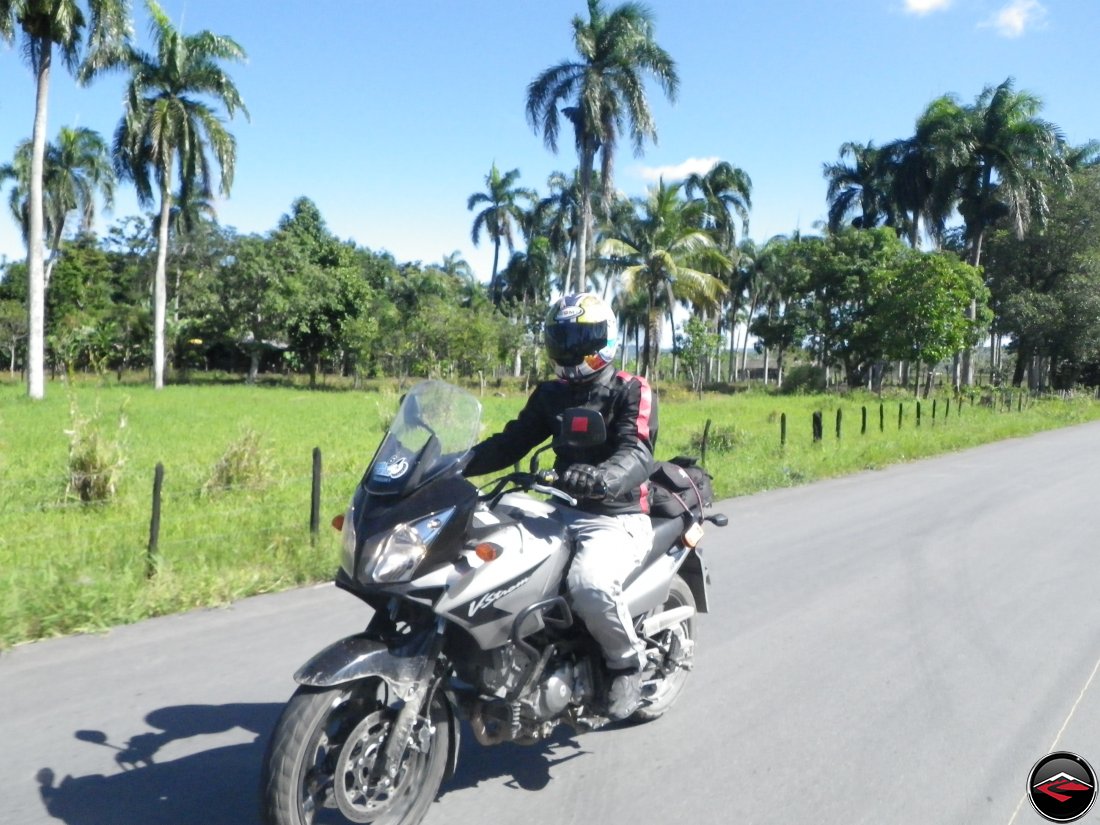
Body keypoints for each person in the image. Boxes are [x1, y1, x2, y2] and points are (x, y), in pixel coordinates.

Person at [463, 292, 657, 720]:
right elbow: (513, 441)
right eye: (564, 338)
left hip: (615, 517)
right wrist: (456, 464)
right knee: (485, 541)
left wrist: (604, 477)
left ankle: (626, 663)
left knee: (589, 583)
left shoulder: (630, 389)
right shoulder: (552, 394)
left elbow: (638, 452)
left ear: (604, 339)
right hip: (558, 506)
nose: (571, 348)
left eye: (581, 338)